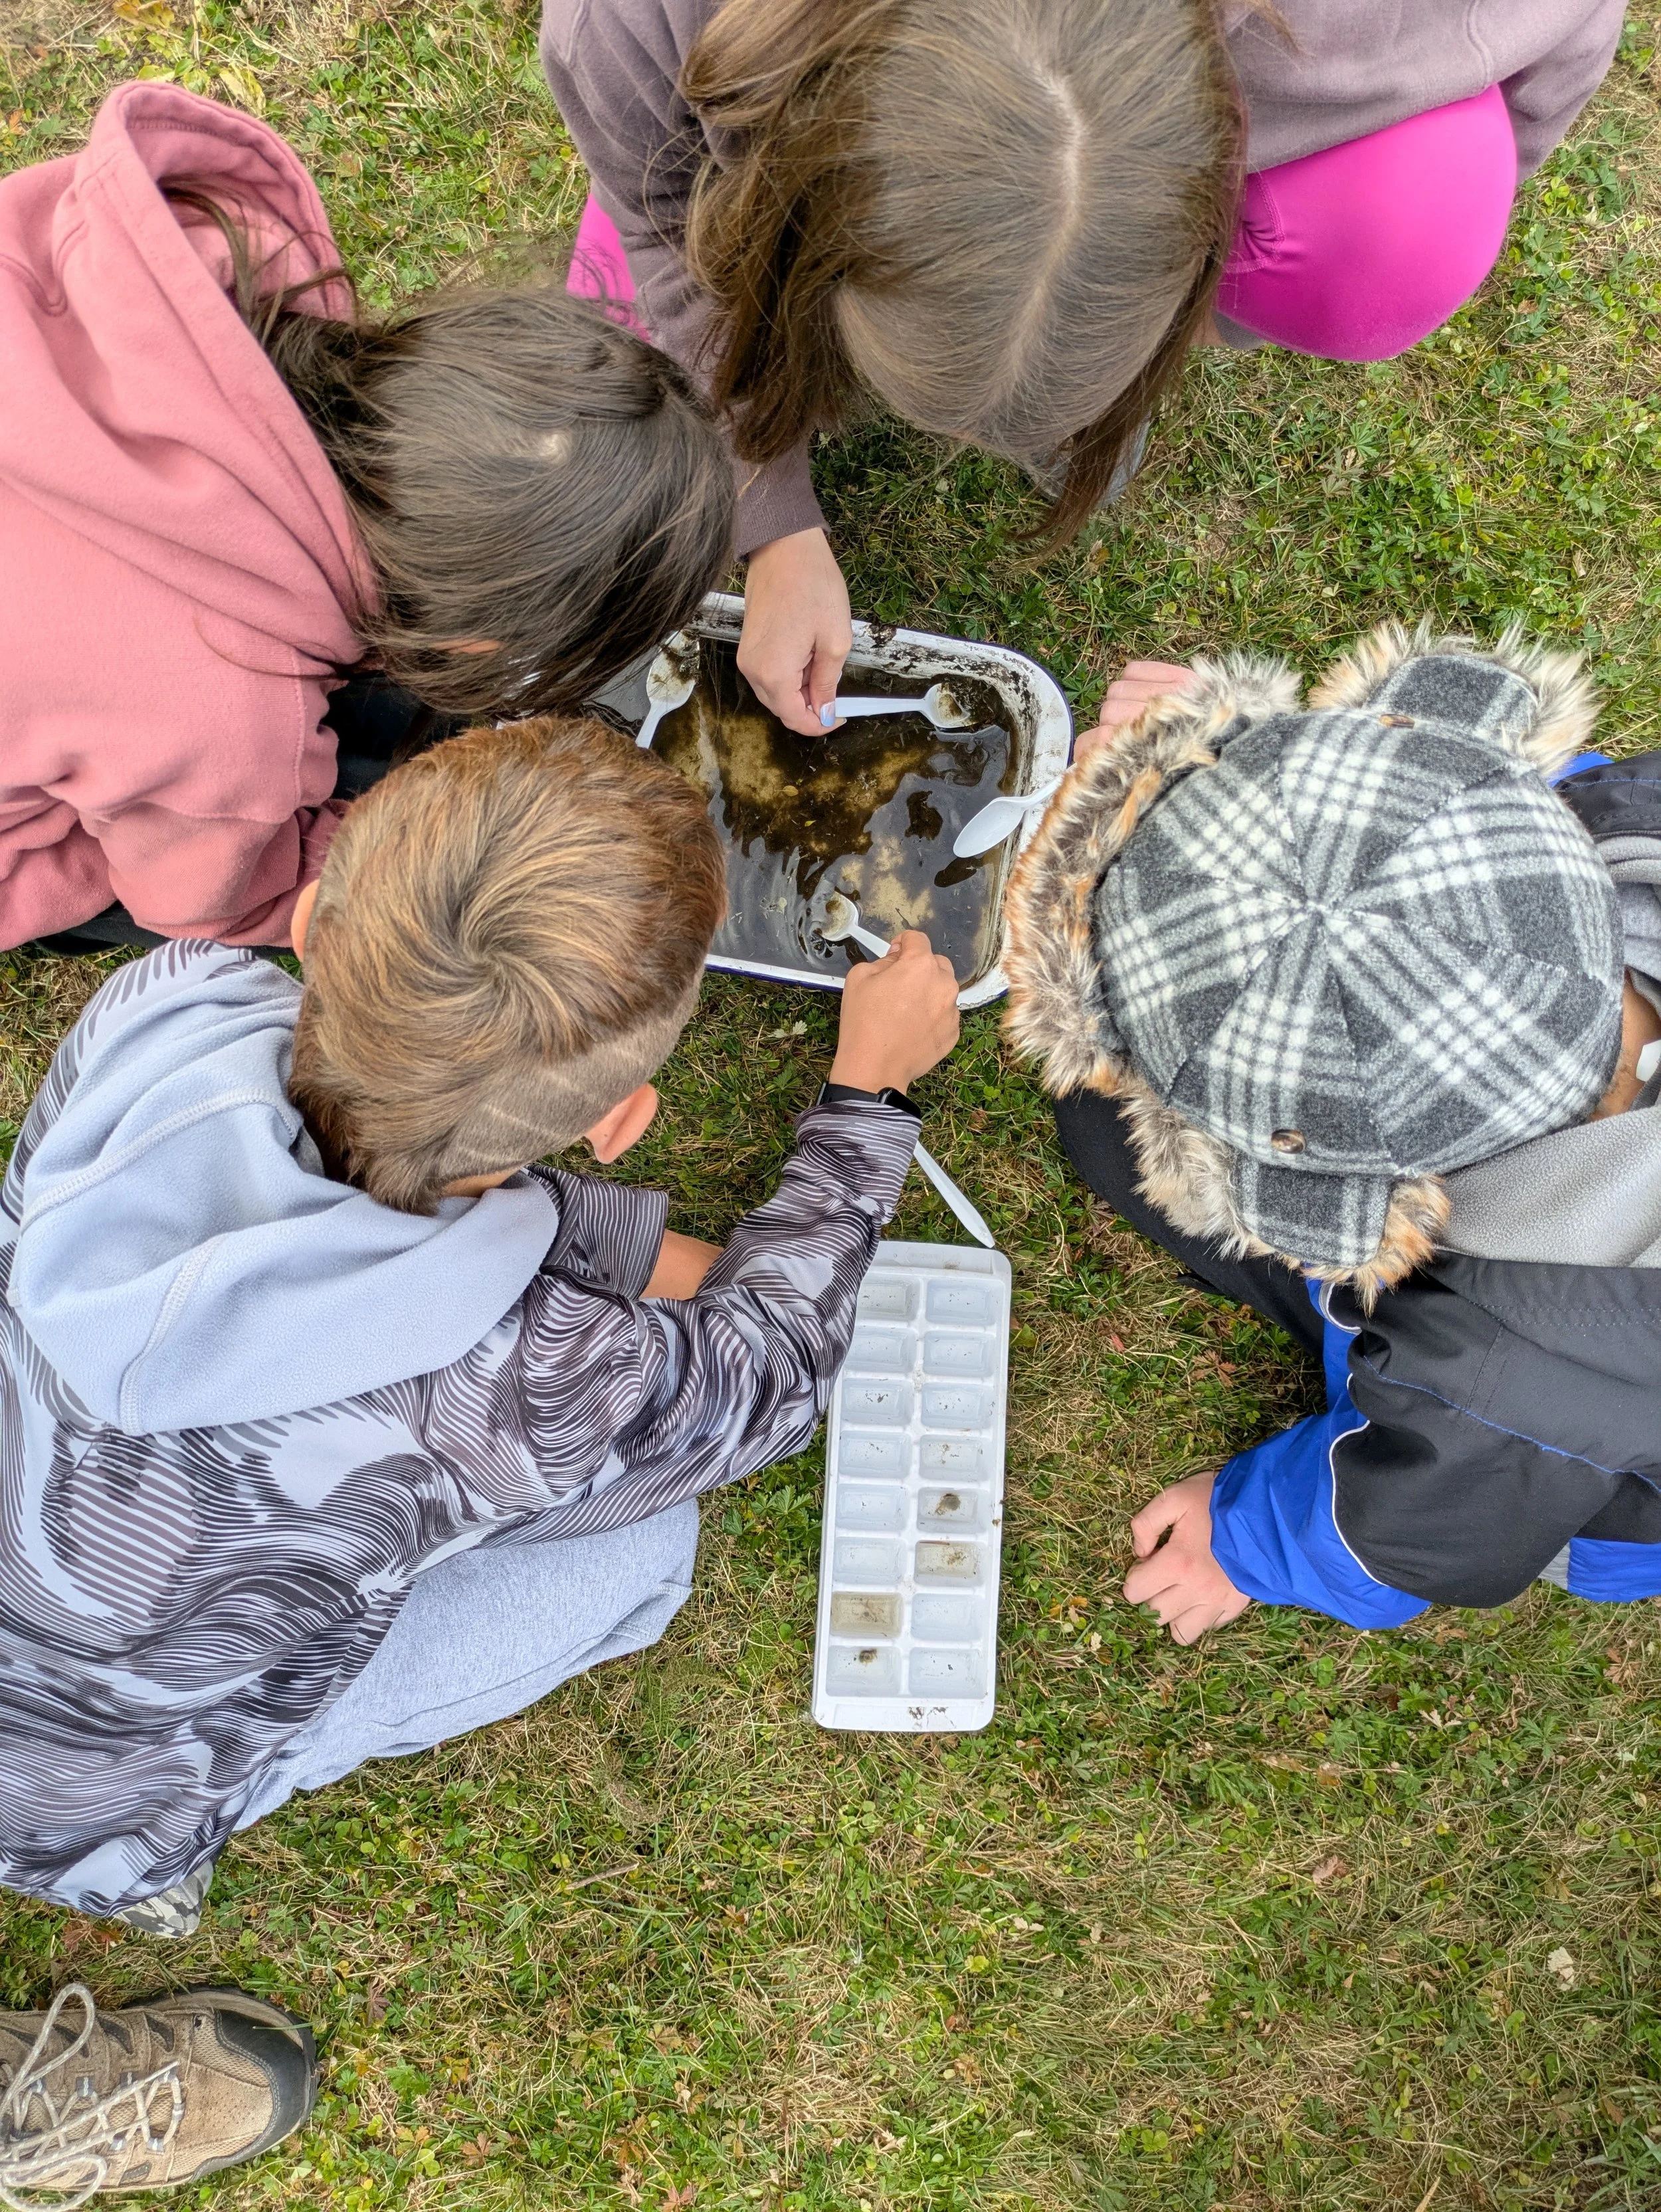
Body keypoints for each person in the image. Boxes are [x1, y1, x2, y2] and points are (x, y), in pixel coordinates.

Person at [0, 718, 958, 1964]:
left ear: (306, 933)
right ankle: (143, 1865)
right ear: (621, 1121)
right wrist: (870, 1097)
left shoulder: (159, 1004)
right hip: (96, 1798)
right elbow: (768, 1383)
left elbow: (367, 1156)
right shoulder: (526, 1391)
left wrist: (602, 1258)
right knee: (650, 1540)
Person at [541, 0, 1622, 736]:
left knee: (1420, 217)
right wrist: (766, 512)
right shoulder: (637, 28)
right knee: (657, 302)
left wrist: (1480, 178)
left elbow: (1566, 40)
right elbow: (660, 214)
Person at [1003, 623, 1661, 1644]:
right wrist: (1234, 780)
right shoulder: (1629, 824)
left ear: (1335, 1197)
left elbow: (1409, 1533)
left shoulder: (1494, 1388)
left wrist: (1243, 1540)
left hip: (1595, 1488)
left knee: (1101, 1129)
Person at [0, 80, 735, 952]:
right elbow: (210, 905)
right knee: (359, 768)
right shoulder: (238, 739)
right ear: (471, 646)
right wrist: (397, 855)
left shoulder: (177, 274)